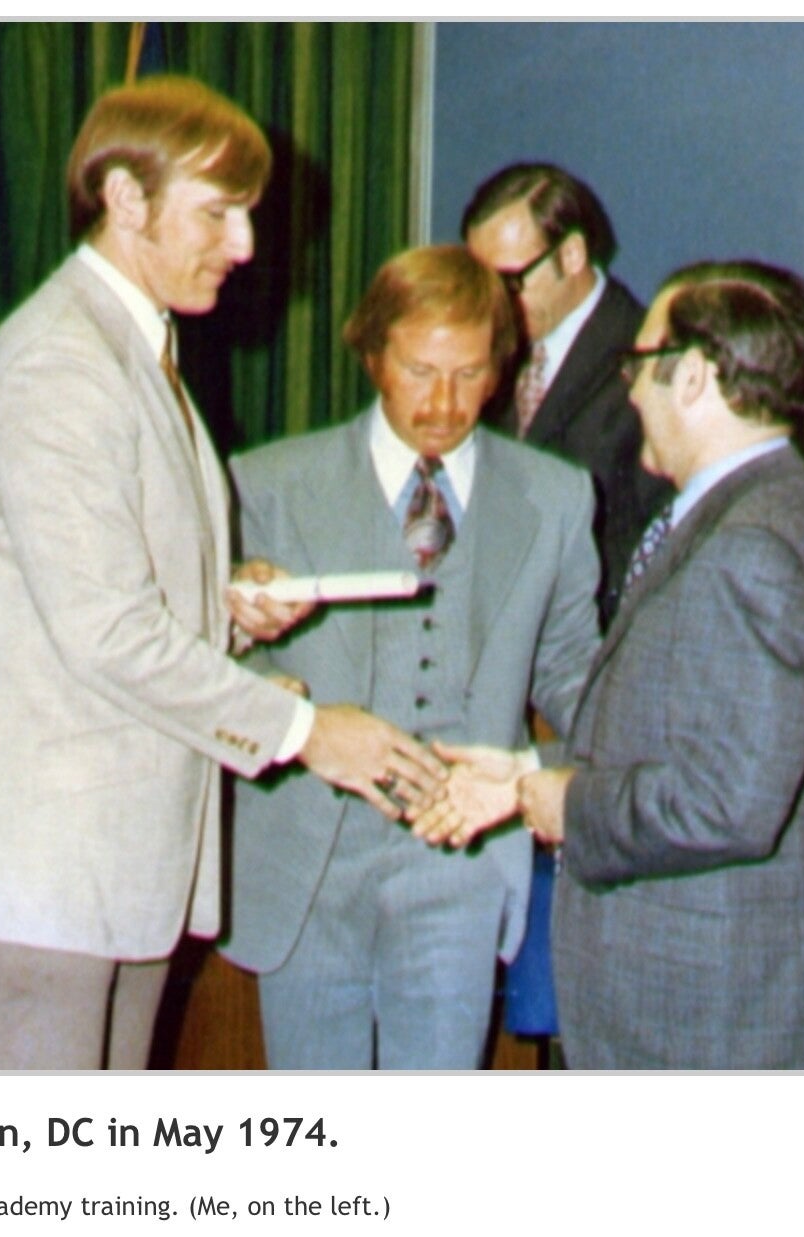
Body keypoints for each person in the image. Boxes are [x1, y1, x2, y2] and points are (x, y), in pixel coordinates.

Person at [0, 76, 445, 1070]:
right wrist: (308, 733)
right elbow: (104, 633)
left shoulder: (139, 350)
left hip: (113, 871)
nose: (245, 246)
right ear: (124, 198)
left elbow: (101, 594)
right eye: (218, 213)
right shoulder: (61, 365)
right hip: (39, 875)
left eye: (248, 215)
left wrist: (227, 608)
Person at [417, 260, 804, 1070]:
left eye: (637, 364)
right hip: (711, 1011)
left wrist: (562, 801)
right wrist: (528, 772)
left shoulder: (749, 545)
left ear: (693, 376)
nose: (629, 392)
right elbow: (683, 739)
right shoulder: (754, 513)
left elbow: (726, 804)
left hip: (717, 1025)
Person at [219, 245, 601, 1069]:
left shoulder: (555, 496)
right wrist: (293, 708)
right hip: (305, 860)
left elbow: (574, 668)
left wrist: (606, 760)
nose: (442, 403)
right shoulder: (265, 485)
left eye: (468, 374)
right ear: (371, 356)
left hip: (459, 867)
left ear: (499, 370)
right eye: (419, 371)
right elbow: (214, 665)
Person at [462, 163, 671, 626]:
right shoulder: (487, 349)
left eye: (510, 281)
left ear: (572, 254)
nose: (493, 305)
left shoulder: (648, 364)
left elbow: (648, 559)